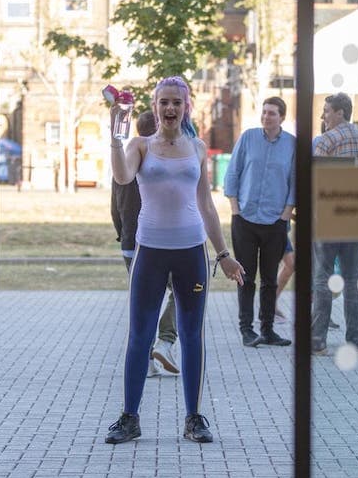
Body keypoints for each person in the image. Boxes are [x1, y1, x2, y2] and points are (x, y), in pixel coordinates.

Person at [105, 76, 245, 445]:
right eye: (163, 102)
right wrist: (115, 137)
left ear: (186, 108)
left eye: (176, 103)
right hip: (149, 251)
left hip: (190, 252)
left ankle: (194, 418)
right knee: (139, 336)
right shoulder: (140, 145)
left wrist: (224, 254)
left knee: (192, 335)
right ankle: (129, 417)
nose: (170, 108)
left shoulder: (198, 148)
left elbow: (206, 206)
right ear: (155, 107)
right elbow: (122, 176)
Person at [110, 111, 179, 377]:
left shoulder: (125, 158)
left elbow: (114, 206)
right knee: (185, 291)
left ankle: (147, 361)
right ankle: (165, 339)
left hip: (131, 241)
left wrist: (123, 235)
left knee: (145, 301)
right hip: (162, 240)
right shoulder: (160, 158)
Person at [223, 96, 295, 347]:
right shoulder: (248, 138)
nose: (266, 117)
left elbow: (295, 182)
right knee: (246, 276)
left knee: (269, 279)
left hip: (275, 221)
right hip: (245, 219)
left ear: (282, 117)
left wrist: (286, 214)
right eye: (264, 112)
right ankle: (246, 330)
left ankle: (268, 330)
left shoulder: (291, 145)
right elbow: (233, 172)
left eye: (272, 113)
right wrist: (235, 209)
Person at [311, 92, 358, 356]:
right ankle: (357, 338)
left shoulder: (325, 140)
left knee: (322, 277)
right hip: (356, 215)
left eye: (327, 111)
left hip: (328, 215)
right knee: (353, 279)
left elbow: (315, 181)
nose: (323, 116)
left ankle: (318, 340)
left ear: (340, 112)